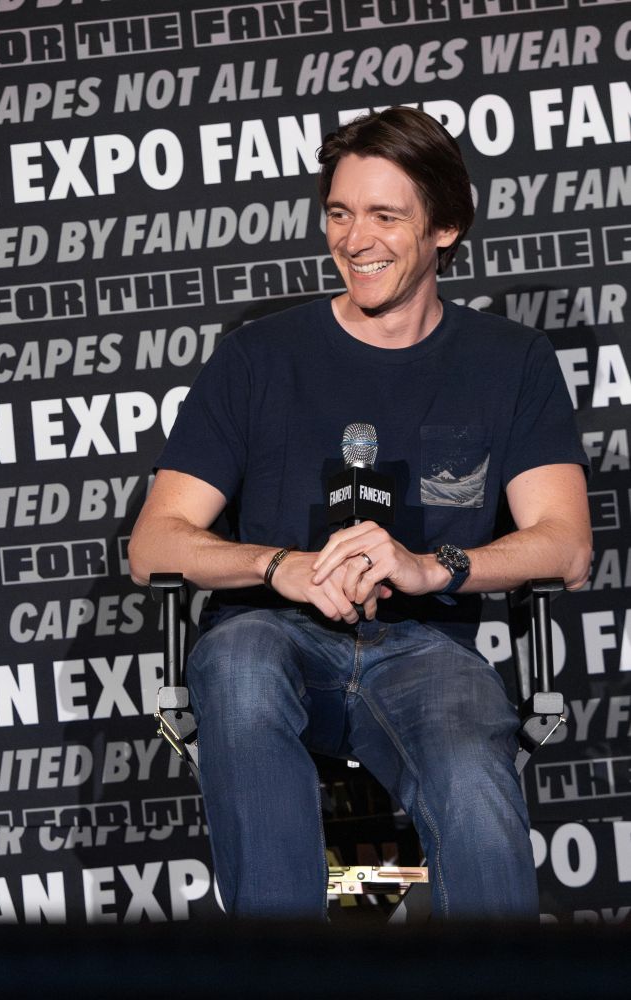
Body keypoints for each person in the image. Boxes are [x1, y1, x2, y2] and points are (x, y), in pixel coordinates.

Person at [126, 106, 590, 919]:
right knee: (237, 669)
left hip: (426, 644)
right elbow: (153, 542)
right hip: (270, 631)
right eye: (339, 213)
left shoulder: (509, 362)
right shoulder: (259, 357)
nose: (354, 238)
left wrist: (429, 567)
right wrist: (284, 568)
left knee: (470, 770)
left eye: (385, 215)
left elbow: (565, 544)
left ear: (446, 225)